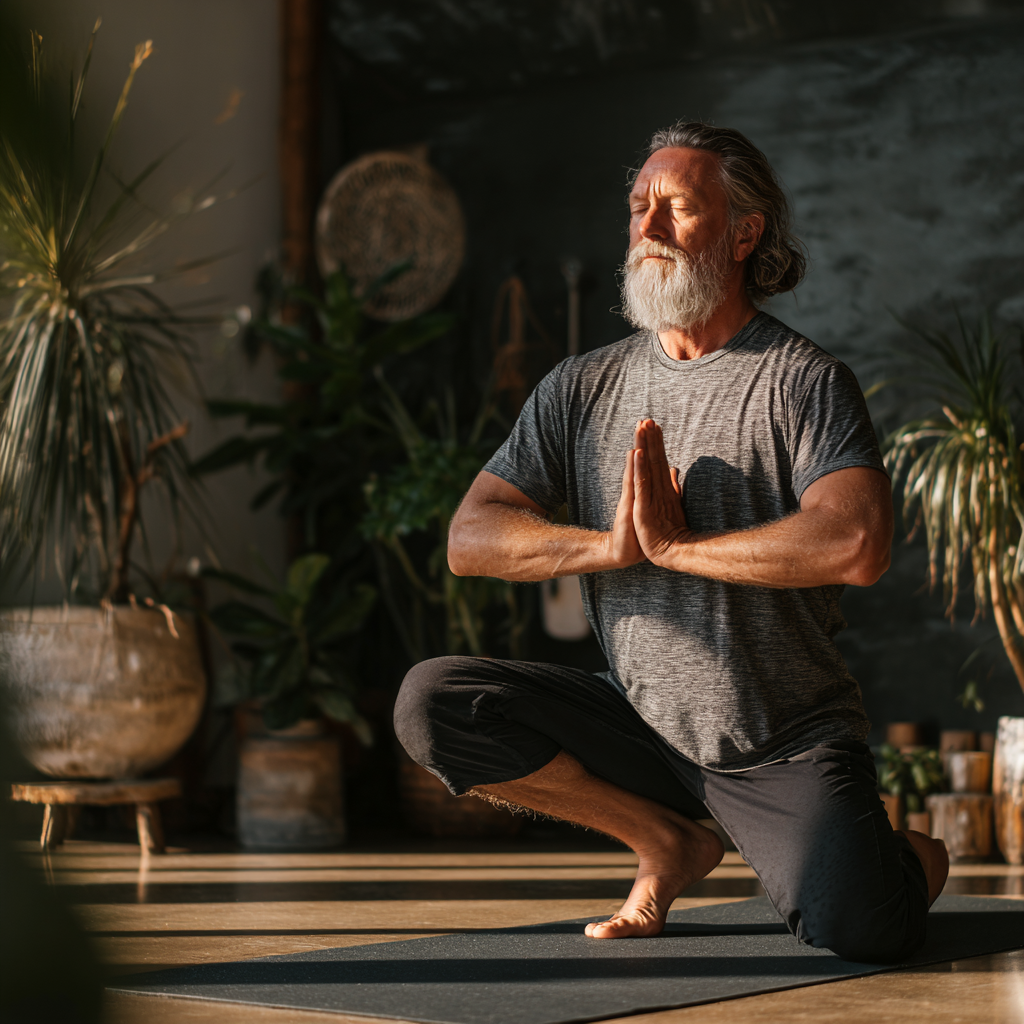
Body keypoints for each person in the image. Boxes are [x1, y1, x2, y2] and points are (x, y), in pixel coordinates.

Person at [394, 121, 948, 963]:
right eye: (638, 209)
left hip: (778, 740)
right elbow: (470, 537)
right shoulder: (581, 386)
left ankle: (910, 858)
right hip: (641, 723)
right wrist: (611, 546)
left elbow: (858, 542)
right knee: (433, 701)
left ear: (743, 232)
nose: (647, 229)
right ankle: (664, 840)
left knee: (862, 928)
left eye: (677, 208)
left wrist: (681, 547)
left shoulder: (800, 380)